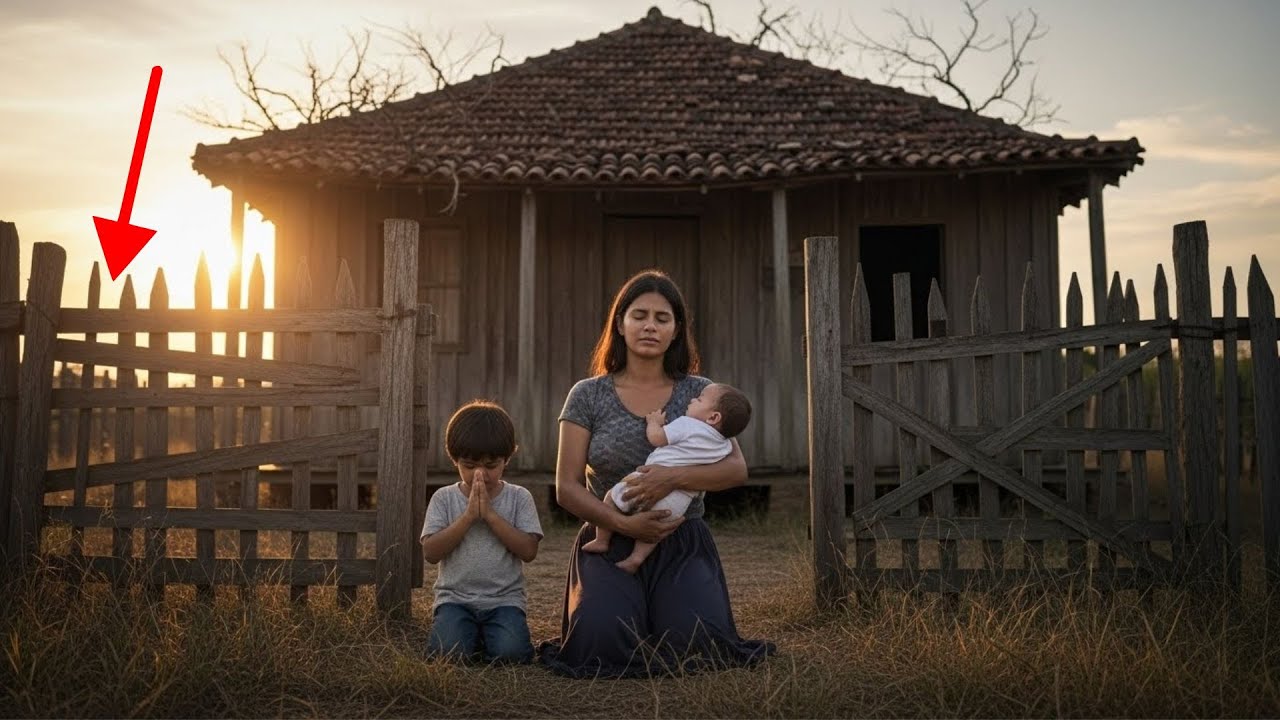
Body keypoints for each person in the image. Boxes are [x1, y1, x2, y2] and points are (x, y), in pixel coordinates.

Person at [538, 269, 775, 678]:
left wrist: (671, 479)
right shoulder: (587, 394)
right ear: (620, 323)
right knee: (601, 638)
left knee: (695, 640)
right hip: (608, 535)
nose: (650, 326)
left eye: (662, 318)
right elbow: (567, 486)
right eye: (639, 315)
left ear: (676, 330)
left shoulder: (701, 392)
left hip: (680, 536)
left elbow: (736, 469)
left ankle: (667, 607)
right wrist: (622, 523)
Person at [582, 382, 752, 574]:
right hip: (680, 500)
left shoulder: (688, 424)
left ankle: (602, 540)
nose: (692, 400)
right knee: (655, 529)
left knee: (611, 498)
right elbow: (728, 469)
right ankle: (636, 559)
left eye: (699, 399)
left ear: (713, 417)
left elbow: (657, 438)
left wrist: (654, 423)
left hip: (646, 481)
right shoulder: (725, 446)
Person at [421, 400, 543, 664]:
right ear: (454, 460)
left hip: (504, 600)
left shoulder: (519, 497)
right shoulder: (444, 498)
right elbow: (430, 552)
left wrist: (490, 515)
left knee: (511, 654)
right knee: (446, 654)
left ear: (506, 459)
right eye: (469, 465)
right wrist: (468, 517)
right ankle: (471, 635)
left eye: (491, 465)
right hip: (455, 600)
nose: (481, 474)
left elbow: (528, 551)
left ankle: (484, 637)